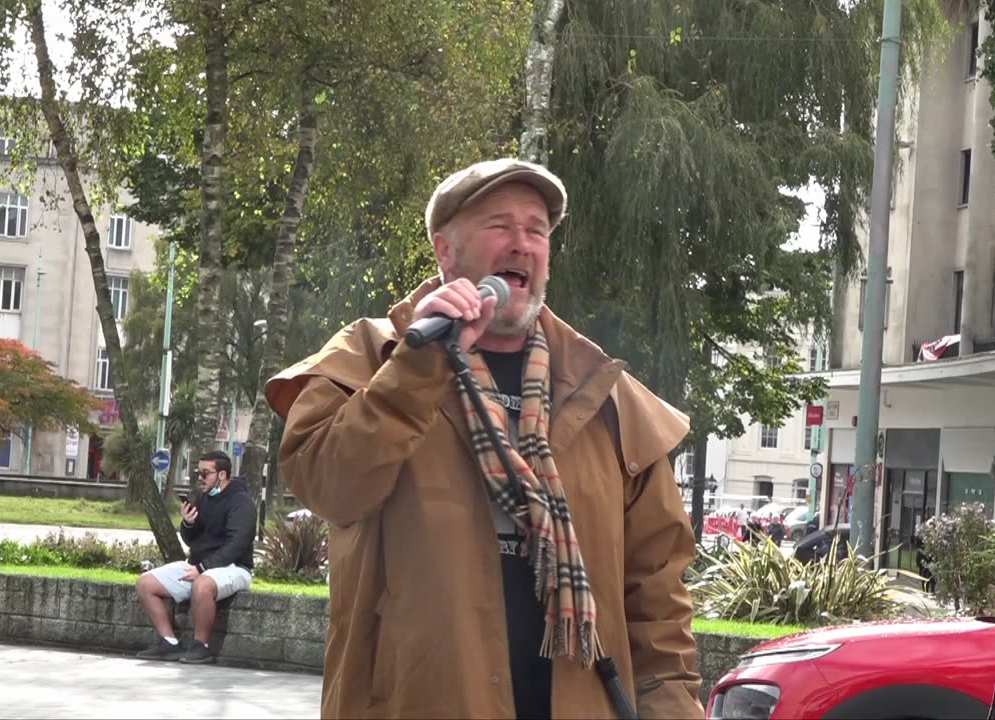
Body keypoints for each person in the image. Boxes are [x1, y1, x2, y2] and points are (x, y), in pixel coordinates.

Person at [265, 158, 704, 719]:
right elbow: (328, 486)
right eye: (500, 225)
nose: (523, 244)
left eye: (537, 230)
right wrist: (415, 367)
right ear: (444, 250)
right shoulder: (370, 358)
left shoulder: (605, 395)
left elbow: (658, 599)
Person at [133, 451, 257, 664]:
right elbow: (192, 540)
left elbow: (237, 545)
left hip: (234, 567)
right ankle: (169, 643)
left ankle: (202, 646)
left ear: (222, 474)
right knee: (145, 583)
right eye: (198, 472)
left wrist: (203, 567)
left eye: (205, 473)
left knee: (202, 585)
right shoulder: (203, 498)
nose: (199, 477)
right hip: (199, 565)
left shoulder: (241, 502)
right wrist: (188, 524)